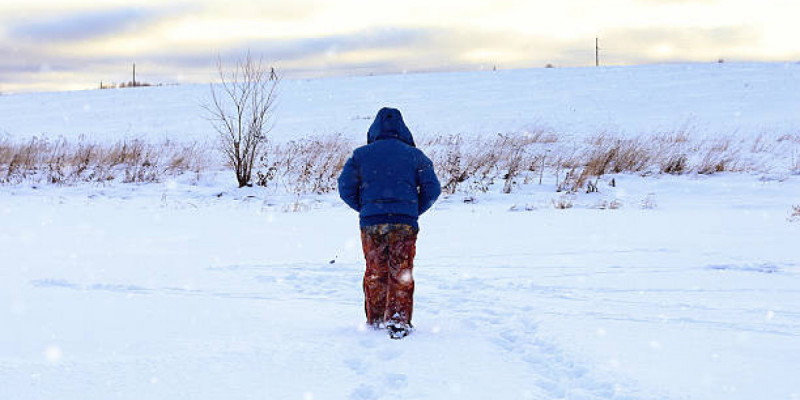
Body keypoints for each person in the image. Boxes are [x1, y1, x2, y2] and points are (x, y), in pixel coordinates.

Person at [338, 107, 441, 339]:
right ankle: (397, 321)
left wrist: (367, 209)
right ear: (403, 129)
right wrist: (412, 211)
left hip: (372, 223)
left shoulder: (360, 155)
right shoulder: (415, 156)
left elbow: (345, 189)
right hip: (404, 223)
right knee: (401, 271)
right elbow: (433, 189)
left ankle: (375, 321)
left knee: (375, 271)